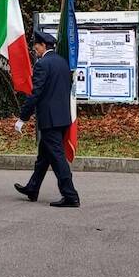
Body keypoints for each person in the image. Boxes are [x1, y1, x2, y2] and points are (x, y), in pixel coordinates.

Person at [13, 30, 80, 207]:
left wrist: (23, 117)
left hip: (49, 119)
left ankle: (70, 195)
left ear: (44, 46)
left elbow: (35, 93)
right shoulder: (62, 63)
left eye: (37, 46)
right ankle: (32, 188)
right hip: (62, 117)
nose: (35, 49)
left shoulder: (43, 65)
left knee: (57, 158)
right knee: (44, 157)